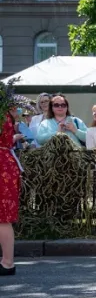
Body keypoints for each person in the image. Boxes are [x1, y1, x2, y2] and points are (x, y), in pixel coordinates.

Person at [0, 95, 30, 276]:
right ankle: (7, 261)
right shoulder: (6, 115)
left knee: (2, 216)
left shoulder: (3, 115)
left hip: (3, 165)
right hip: (6, 162)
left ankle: (8, 262)